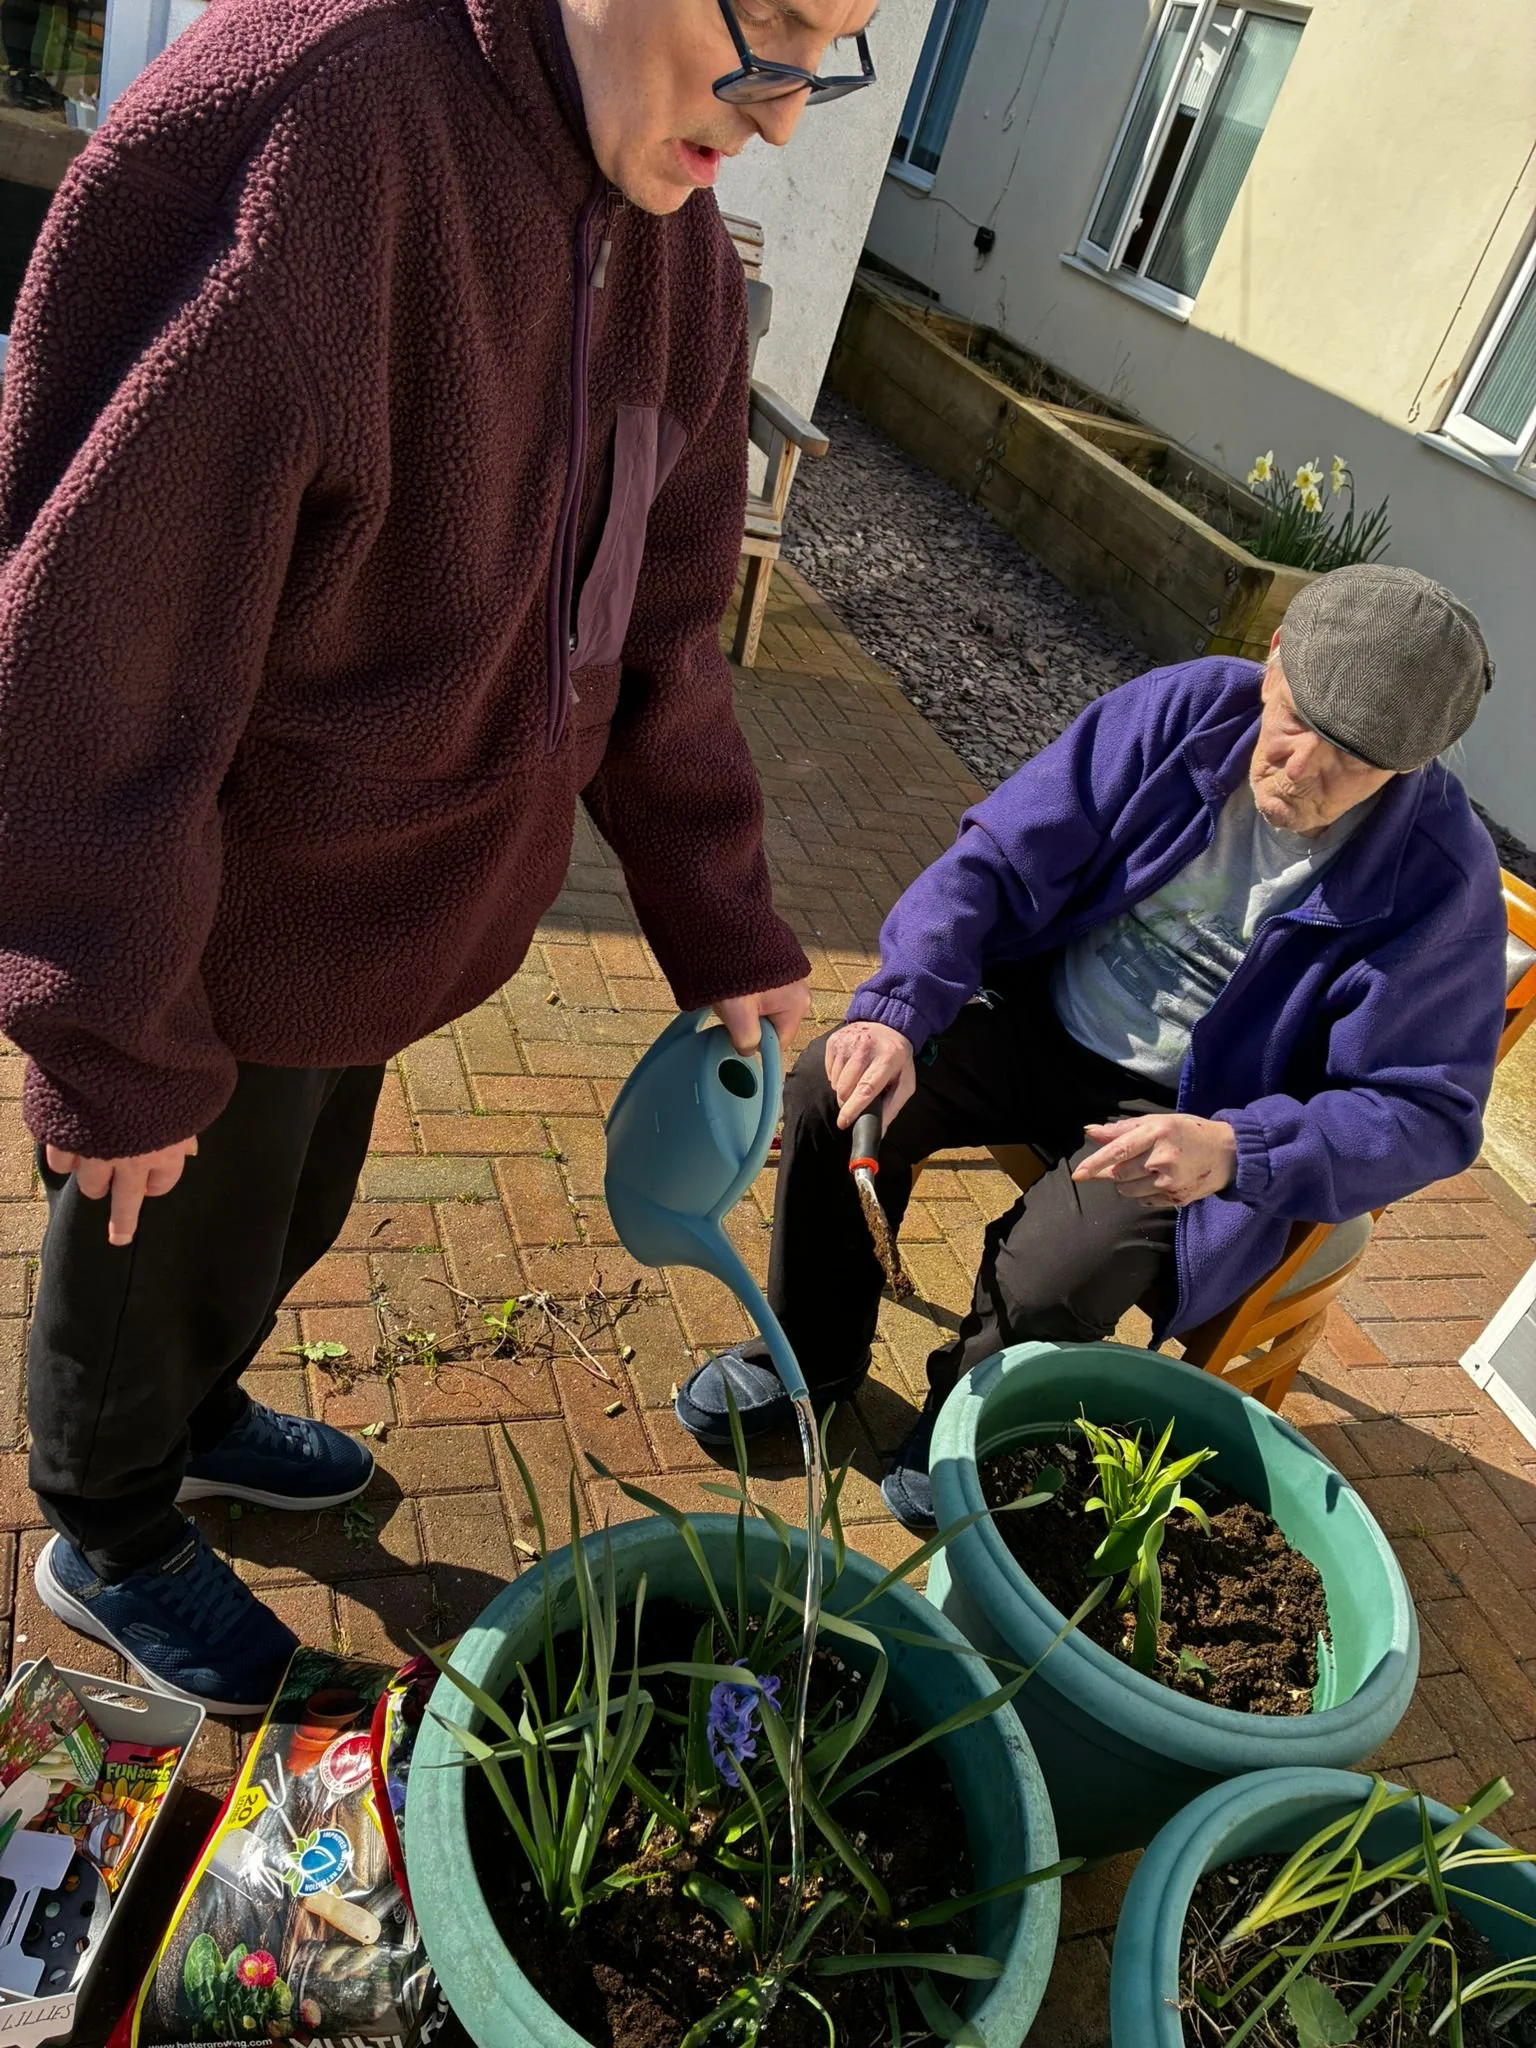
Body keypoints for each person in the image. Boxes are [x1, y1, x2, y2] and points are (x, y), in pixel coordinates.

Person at [0, 0, 883, 1712]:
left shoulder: (673, 248)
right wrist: (109, 1033)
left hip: (405, 919)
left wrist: (725, 916)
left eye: (828, 52)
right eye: (768, 27)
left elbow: (664, 629)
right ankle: (106, 1526)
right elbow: (88, 644)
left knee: (287, 1213)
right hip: (211, 928)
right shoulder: (309, 132)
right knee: (153, 1225)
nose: (779, 118)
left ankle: (198, 1417)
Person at [675, 564, 1511, 1528]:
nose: (1303, 769)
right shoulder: (1189, 708)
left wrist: (1242, 1150)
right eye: (1297, 724)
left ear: (1412, 765)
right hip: (1037, 1013)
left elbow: (1427, 1111)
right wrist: (899, 1005)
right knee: (835, 1086)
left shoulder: (1442, 875)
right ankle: (809, 1355)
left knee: (1055, 1271)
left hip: (1195, 1114)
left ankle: (966, 1420)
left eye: (1355, 761)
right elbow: (997, 856)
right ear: (1272, 659)